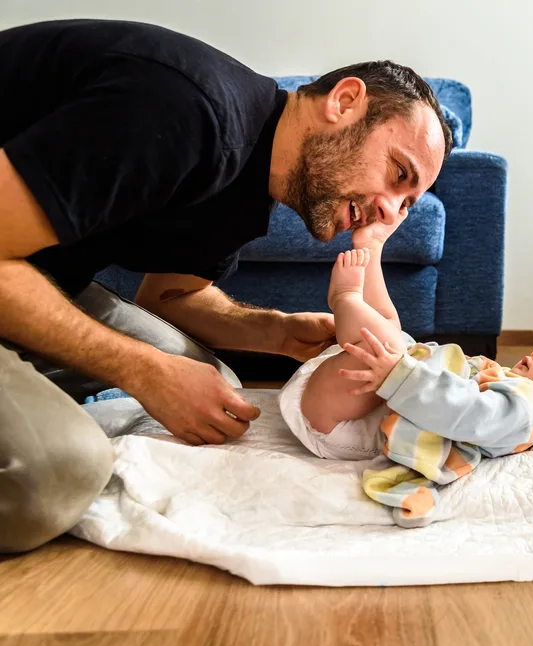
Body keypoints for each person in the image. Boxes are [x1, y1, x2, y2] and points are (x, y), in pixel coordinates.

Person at [0, 18, 452, 552]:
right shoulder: (188, 112)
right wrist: (140, 368)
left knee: (215, 385)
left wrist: (279, 333)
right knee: (55, 475)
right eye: (398, 174)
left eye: (406, 205)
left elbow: (171, 298)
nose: (388, 211)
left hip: (33, 269)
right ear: (345, 101)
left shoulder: (252, 176)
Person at [278, 245, 533, 527]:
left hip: (343, 422)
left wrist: (399, 374)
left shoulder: (521, 414)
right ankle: (371, 248)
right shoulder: (504, 387)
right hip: (351, 396)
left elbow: (463, 411)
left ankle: (345, 298)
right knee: (396, 334)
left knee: (390, 345)